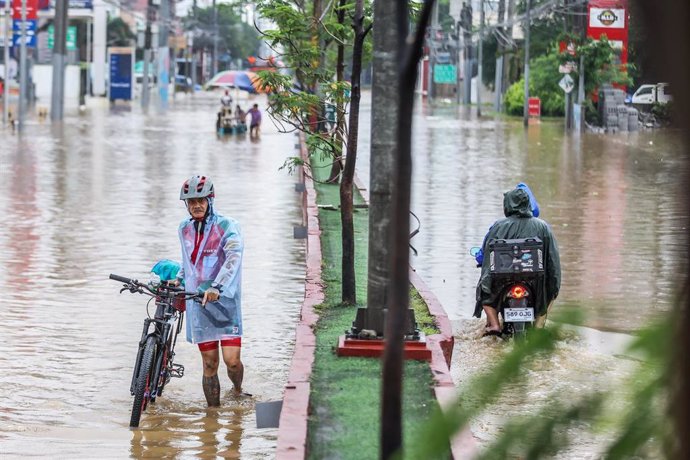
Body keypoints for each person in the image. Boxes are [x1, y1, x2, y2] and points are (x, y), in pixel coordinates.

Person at [173, 175, 245, 406]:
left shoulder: (227, 225)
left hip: (224, 301)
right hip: (198, 302)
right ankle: (211, 418)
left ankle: (237, 388)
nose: (196, 205)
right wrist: (179, 279)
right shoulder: (184, 229)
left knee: (232, 361)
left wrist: (218, 287)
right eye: (191, 201)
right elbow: (189, 262)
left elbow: (234, 257)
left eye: (201, 200)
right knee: (209, 363)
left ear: (210, 199)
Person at [474, 187, 561, 335]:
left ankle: (494, 324)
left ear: (507, 205)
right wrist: (553, 286)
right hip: (535, 282)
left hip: (502, 281)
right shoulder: (543, 227)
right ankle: (538, 327)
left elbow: (487, 255)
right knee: (550, 294)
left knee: (485, 293)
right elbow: (553, 261)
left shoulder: (498, 226)